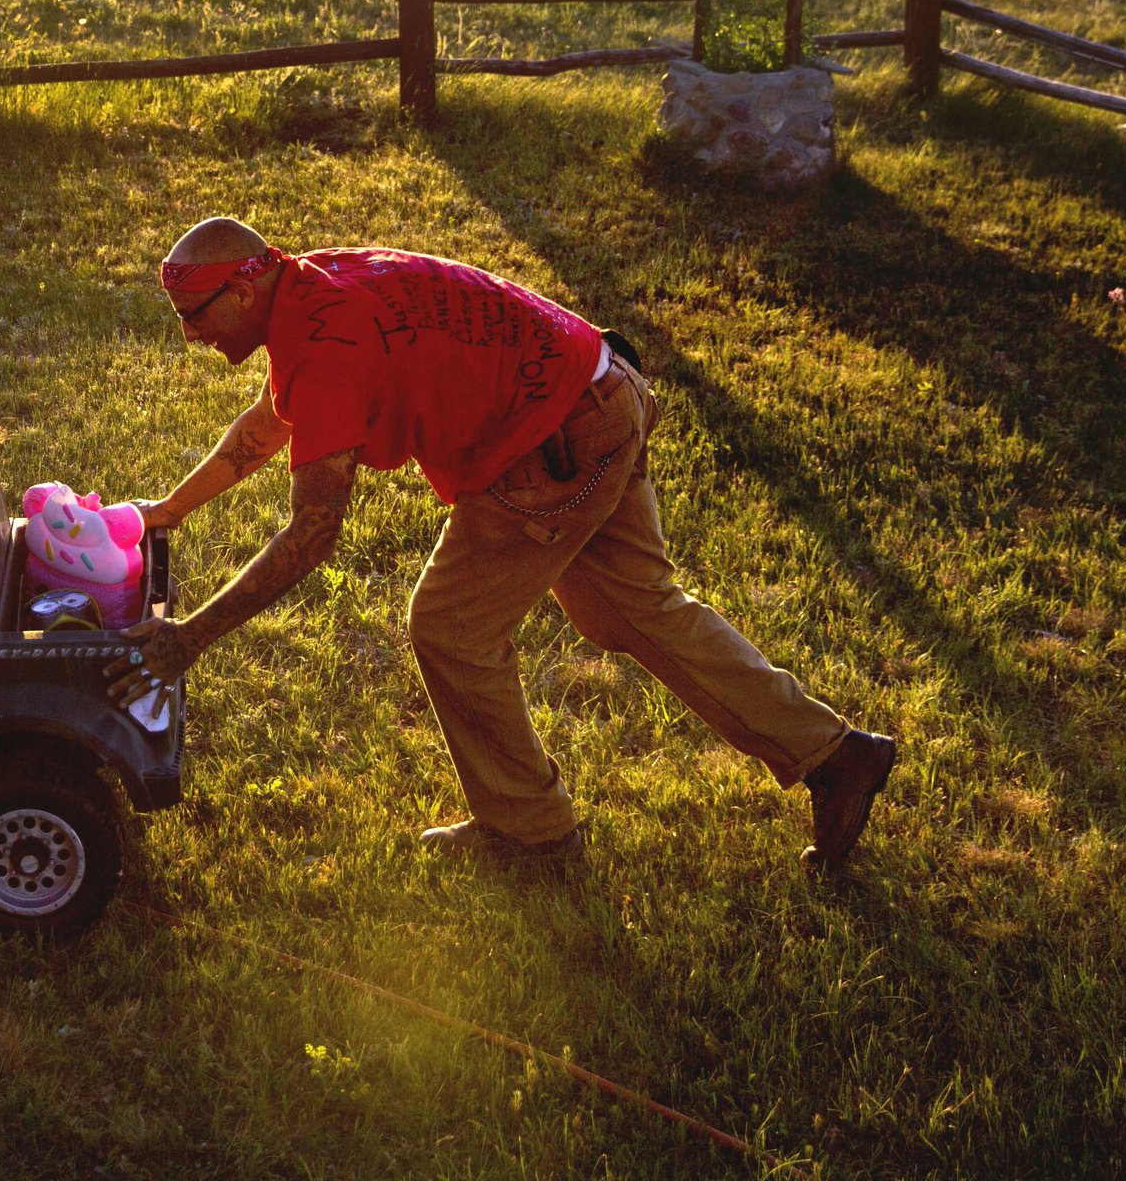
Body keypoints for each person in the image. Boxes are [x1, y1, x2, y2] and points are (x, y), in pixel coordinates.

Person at [110, 218, 895, 872]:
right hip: (601, 389)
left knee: (452, 627)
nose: (190, 335)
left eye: (196, 315)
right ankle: (835, 756)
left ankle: (532, 834)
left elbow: (313, 532)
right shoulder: (310, 288)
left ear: (244, 289)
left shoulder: (327, 348)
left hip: (552, 443)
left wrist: (191, 638)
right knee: (631, 611)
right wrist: (170, 510)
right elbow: (269, 424)